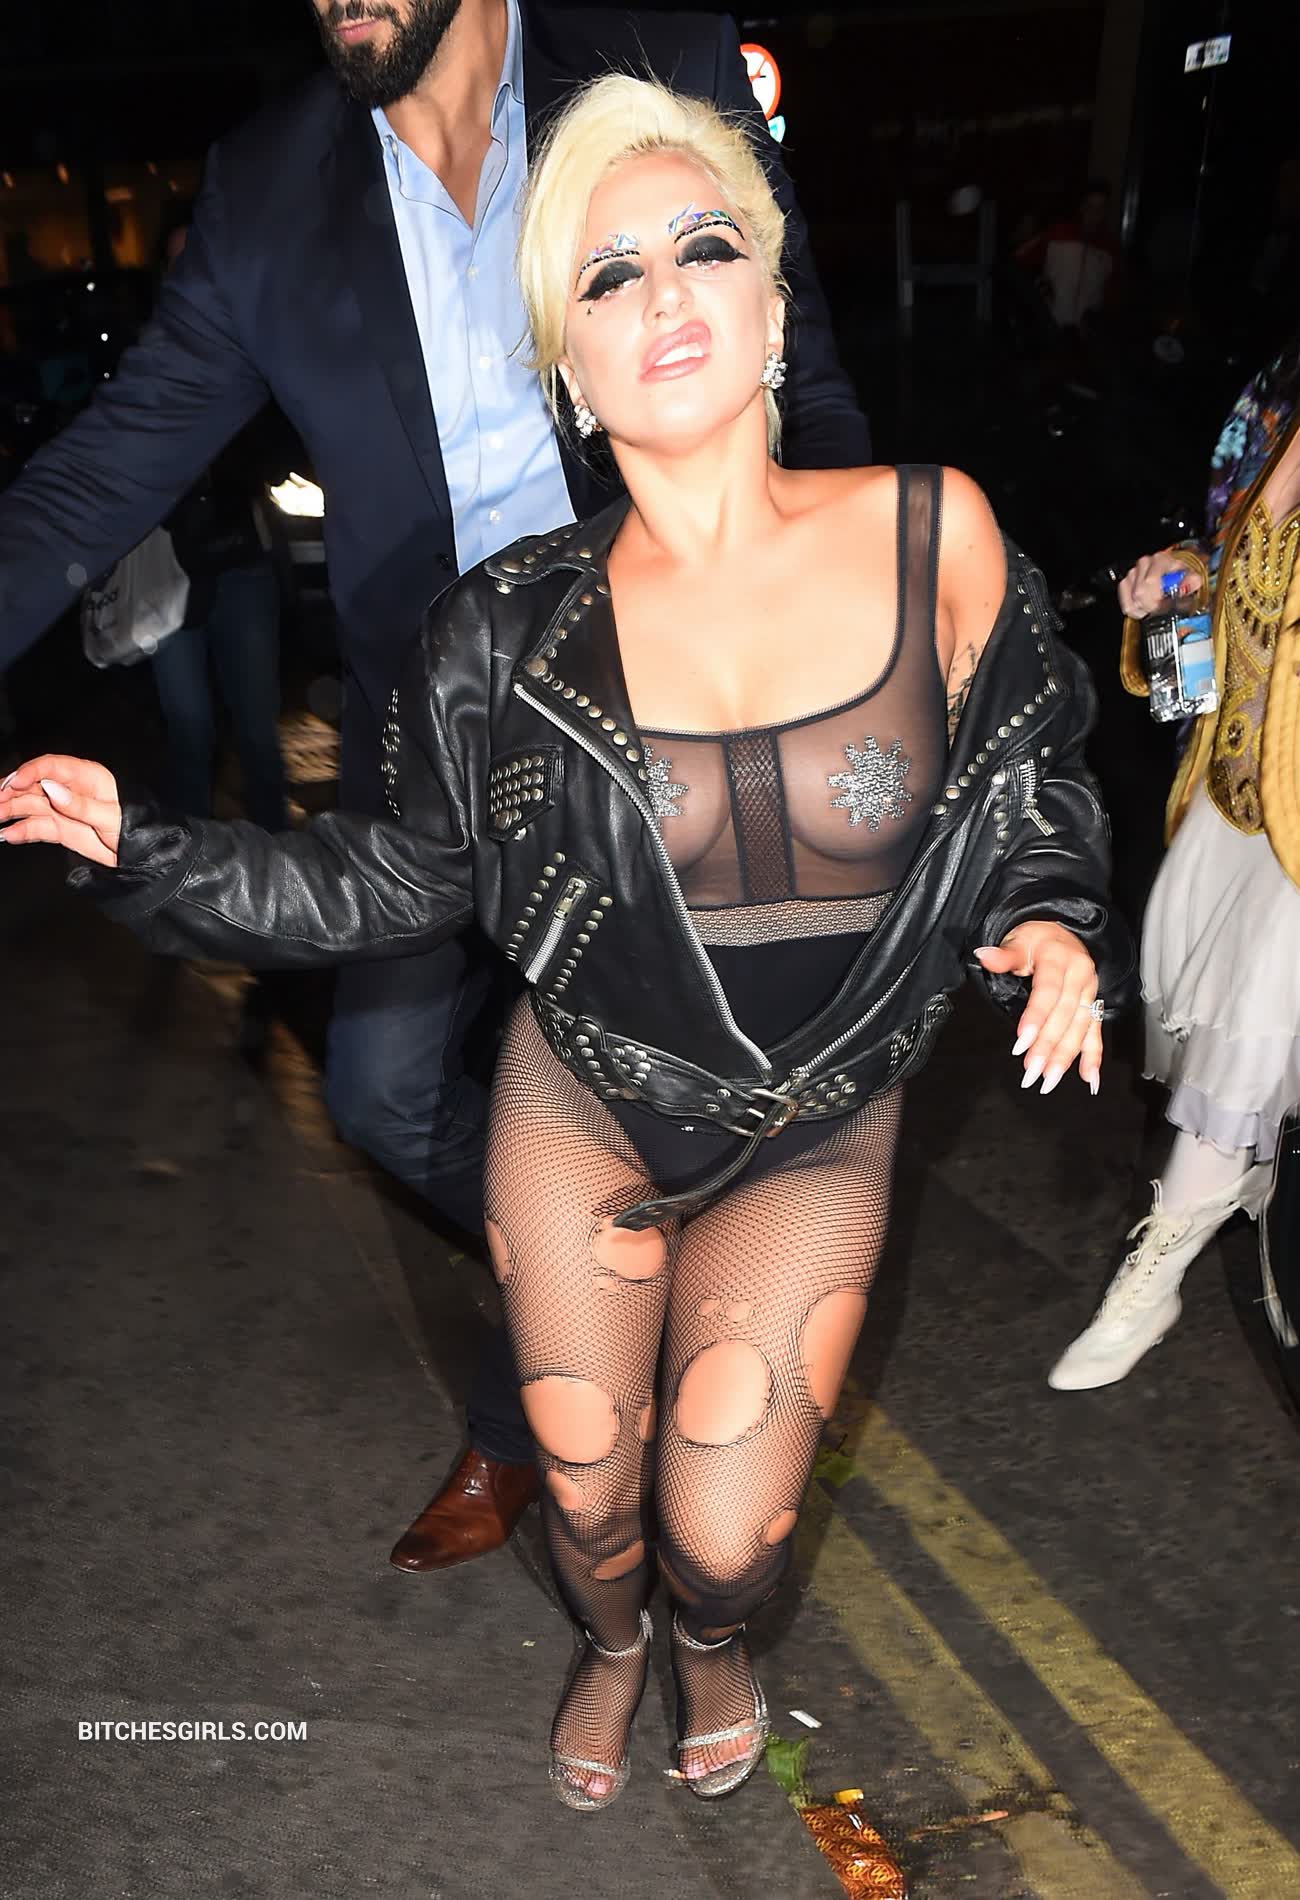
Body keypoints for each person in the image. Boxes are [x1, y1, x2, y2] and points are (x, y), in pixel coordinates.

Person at [0, 75, 1132, 1810]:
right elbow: (387, 886)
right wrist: (143, 850)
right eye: (609, 275)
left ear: (771, 308)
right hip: (587, 1106)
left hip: (815, 1127)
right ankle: (610, 1644)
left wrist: (1049, 917)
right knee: (591, 1502)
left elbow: (1030, 764)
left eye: (703, 249)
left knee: (725, 1534)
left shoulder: (933, 532)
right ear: (572, 373)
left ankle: (710, 1642)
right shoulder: (504, 632)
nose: (662, 290)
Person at [0, 0, 869, 1572]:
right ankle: (632, 1264)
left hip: (661, 716)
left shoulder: (656, 65)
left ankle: (521, 1416)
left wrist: (836, 621)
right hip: (434, 738)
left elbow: (799, 373)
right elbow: (100, 470)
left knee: (620, 1080)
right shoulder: (272, 187)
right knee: (383, 1095)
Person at [1049, 333, 1300, 1391]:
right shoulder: (1277, 393)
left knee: (1249, 1032)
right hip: (1242, 792)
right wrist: (1180, 584)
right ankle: (1244, 1186)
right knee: (1227, 1040)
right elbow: (1237, 594)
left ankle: (1157, 1271)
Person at [152, 217, 288, 836]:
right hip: (167, 572)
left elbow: (278, 452)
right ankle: (183, 871)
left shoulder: (250, 346)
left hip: (240, 562)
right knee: (189, 727)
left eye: (198, 257)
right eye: (176, 260)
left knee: (258, 729)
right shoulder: (145, 358)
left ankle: (279, 870)